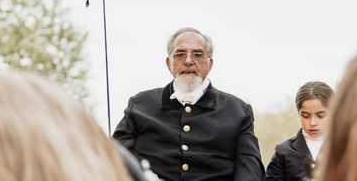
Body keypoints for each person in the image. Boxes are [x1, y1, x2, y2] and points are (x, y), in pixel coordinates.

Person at [113, 27, 265, 181]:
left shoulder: (239, 111)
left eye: (198, 55)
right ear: (169, 63)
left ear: (209, 63)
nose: (188, 61)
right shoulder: (139, 105)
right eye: (179, 54)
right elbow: (115, 157)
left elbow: (250, 173)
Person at [265, 81, 334, 181]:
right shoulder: (283, 152)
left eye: (321, 115)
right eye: (306, 116)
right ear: (298, 113)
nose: (313, 122)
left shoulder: (346, 148)